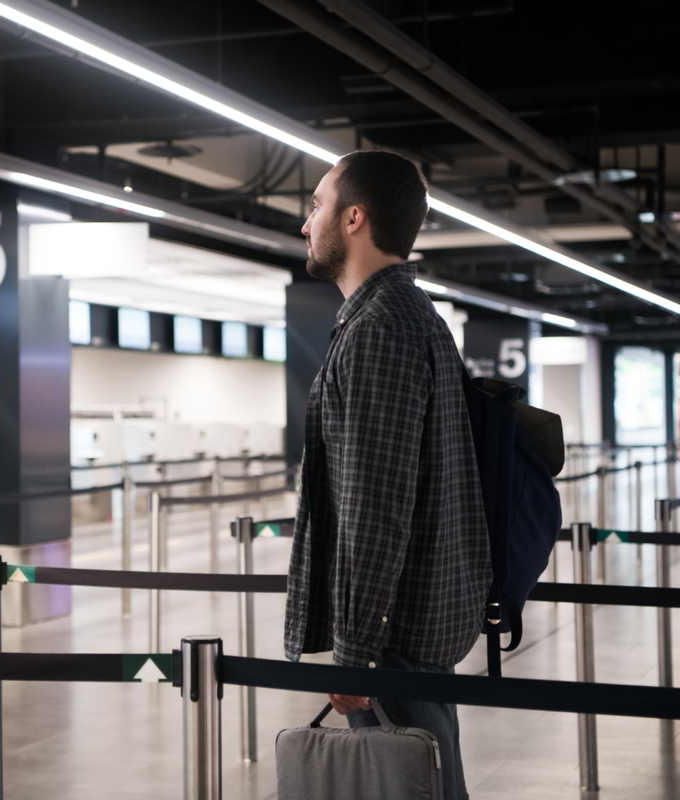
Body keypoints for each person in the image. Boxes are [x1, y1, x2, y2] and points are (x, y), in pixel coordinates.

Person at [284, 150, 491, 800]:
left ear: (353, 218)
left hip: (395, 635)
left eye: (315, 205)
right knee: (425, 780)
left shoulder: (379, 329)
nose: (304, 222)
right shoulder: (412, 315)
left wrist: (354, 653)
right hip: (416, 623)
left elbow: (376, 505)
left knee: (411, 786)